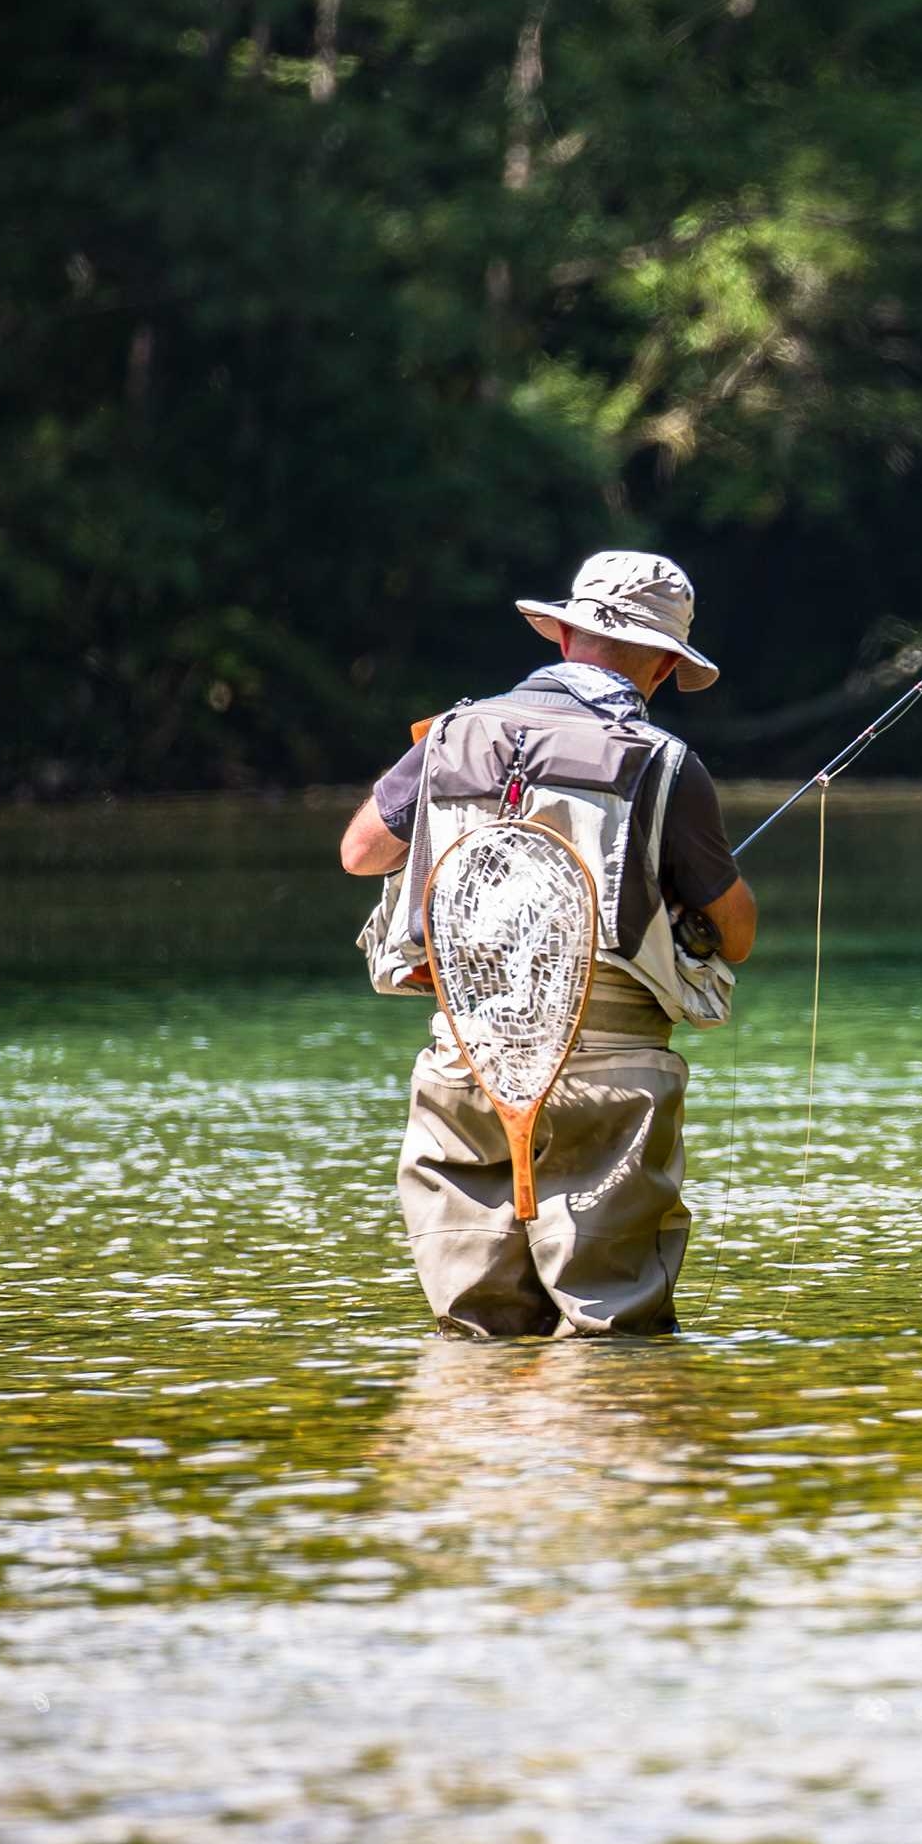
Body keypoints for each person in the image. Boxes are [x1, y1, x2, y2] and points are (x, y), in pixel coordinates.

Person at [338, 551, 758, 1337]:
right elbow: (734, 933)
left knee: (475, 1331)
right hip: (609, 1069)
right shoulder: (665, 763)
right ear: (665, 666)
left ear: (564, 635)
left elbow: (360, 852)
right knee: (614, 1328)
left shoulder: (452, 732)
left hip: (464, 1056)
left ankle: (486, 1451)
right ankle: (605, 1449)